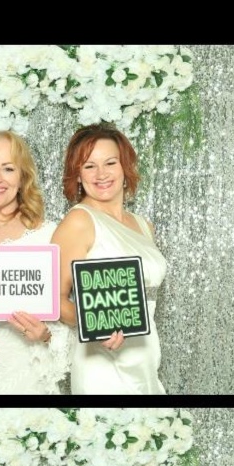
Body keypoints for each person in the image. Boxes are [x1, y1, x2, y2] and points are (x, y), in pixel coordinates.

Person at [51, 123, 167, 395]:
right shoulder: (79, 221)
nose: (101, 174)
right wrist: (94, 326)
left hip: (146, 357)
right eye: (89, 166)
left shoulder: (143, 225)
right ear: (78, 175)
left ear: (125, 167)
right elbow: (52, 299)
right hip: (101, 364)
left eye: (110, 163)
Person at [0, 129, 70, 394]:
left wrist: (46, 335)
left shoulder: (48, 237)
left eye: (8, 169)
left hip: (27, 381)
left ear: (22, 178)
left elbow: (74, 319)